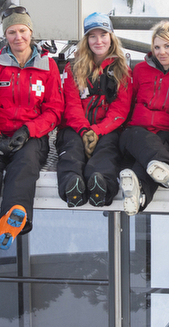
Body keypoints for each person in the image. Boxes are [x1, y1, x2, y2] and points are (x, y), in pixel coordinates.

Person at [0, 5, 62, 263]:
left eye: (23, 31)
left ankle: (12, 217)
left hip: (30, 135)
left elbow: (54, 110)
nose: (18, 37)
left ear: (31, 33)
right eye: (12, 32)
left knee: (25, 164)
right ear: (6, 36)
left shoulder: (47, 66)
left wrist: (29, 130)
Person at [118, 21, 169, 215]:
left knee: (151, 156)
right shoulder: (140, 71)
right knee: (141, 139)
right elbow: (127, 103)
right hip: (135, 133)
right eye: (157, 47)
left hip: (166, 134)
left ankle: (140, 196)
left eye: (167, 46)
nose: (161, 52)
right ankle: (167, 167)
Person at [56, 12, 132, 208]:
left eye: (103, 35)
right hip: (76, 127)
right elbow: (71, 105)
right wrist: (83, 130)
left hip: (106, 128)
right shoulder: (73, 68)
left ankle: (101, 185)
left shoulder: (121, 70)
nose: (99, 41)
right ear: (86, 40)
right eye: (92, 36)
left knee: (107, 151)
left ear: (111, 38)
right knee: (72, 149)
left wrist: (97, 131)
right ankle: (72, 187)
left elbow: (120, 109)